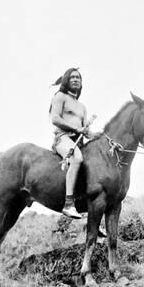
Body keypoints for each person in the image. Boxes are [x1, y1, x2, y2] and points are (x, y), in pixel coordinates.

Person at [50, 68, 95, 218]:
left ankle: (91, 210)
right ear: (66, 81)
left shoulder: (82, 107)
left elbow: (85, 132)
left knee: (95, 164)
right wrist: (77, 128)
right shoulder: (60, 96)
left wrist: (98, 135)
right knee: (76, 158)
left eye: (78, 78)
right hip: (63, 138)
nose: (76, 80)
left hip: (78, 142)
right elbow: (55, 119)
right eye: (72, 77)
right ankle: (68, 204)